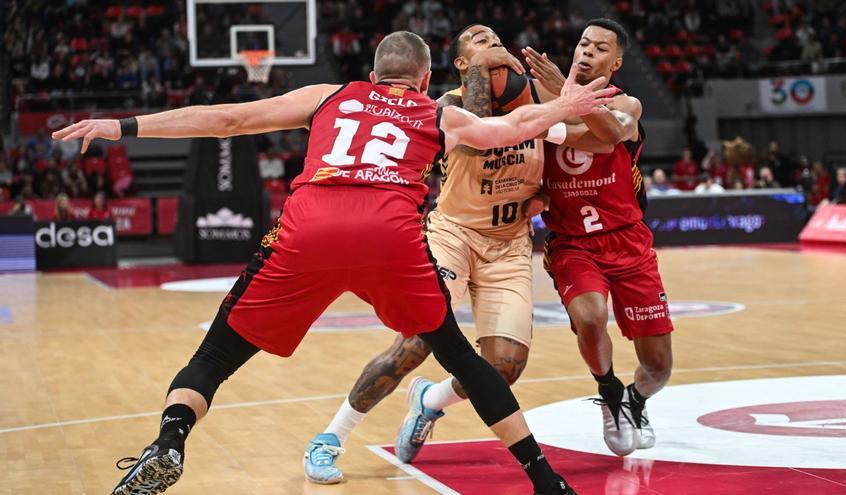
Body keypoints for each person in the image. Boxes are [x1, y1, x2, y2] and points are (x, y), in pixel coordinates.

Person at [53, 31, 615, 495]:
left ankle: (170, 442)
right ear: (423, 79)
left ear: (372, 77)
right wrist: (565, 106)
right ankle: (546, 481)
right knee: (465, 361)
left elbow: (228, 120)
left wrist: (123, 126)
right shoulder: (432, 109)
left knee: (215, 357)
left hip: (310, 226)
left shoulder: (329, 94)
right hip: (388, 235)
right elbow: (510, 129)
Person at [301, 24, 610, 483]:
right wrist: (488, 70)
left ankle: (430, 400)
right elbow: (483, 124)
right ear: (461, 65)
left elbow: (592, 146)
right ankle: (329, 438)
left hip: (508, 246)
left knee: (505, 365)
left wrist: (543, 193)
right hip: (452, 236)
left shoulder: (538, 110)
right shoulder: (442, 108)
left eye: (496, 39)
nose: (493, 42)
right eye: (478, 42)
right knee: (416, 341)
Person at [541, 18, 674, 458]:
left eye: (599, 48)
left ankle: (636, 402)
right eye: (583, 43)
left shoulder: (627, 104)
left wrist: (561, 112)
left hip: (627, 241)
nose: (587, 51)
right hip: (573, 243)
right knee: (591, 315)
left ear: (614, 63)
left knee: (658, 366)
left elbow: (611, 135)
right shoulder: (541, 98)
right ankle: (611, 394)